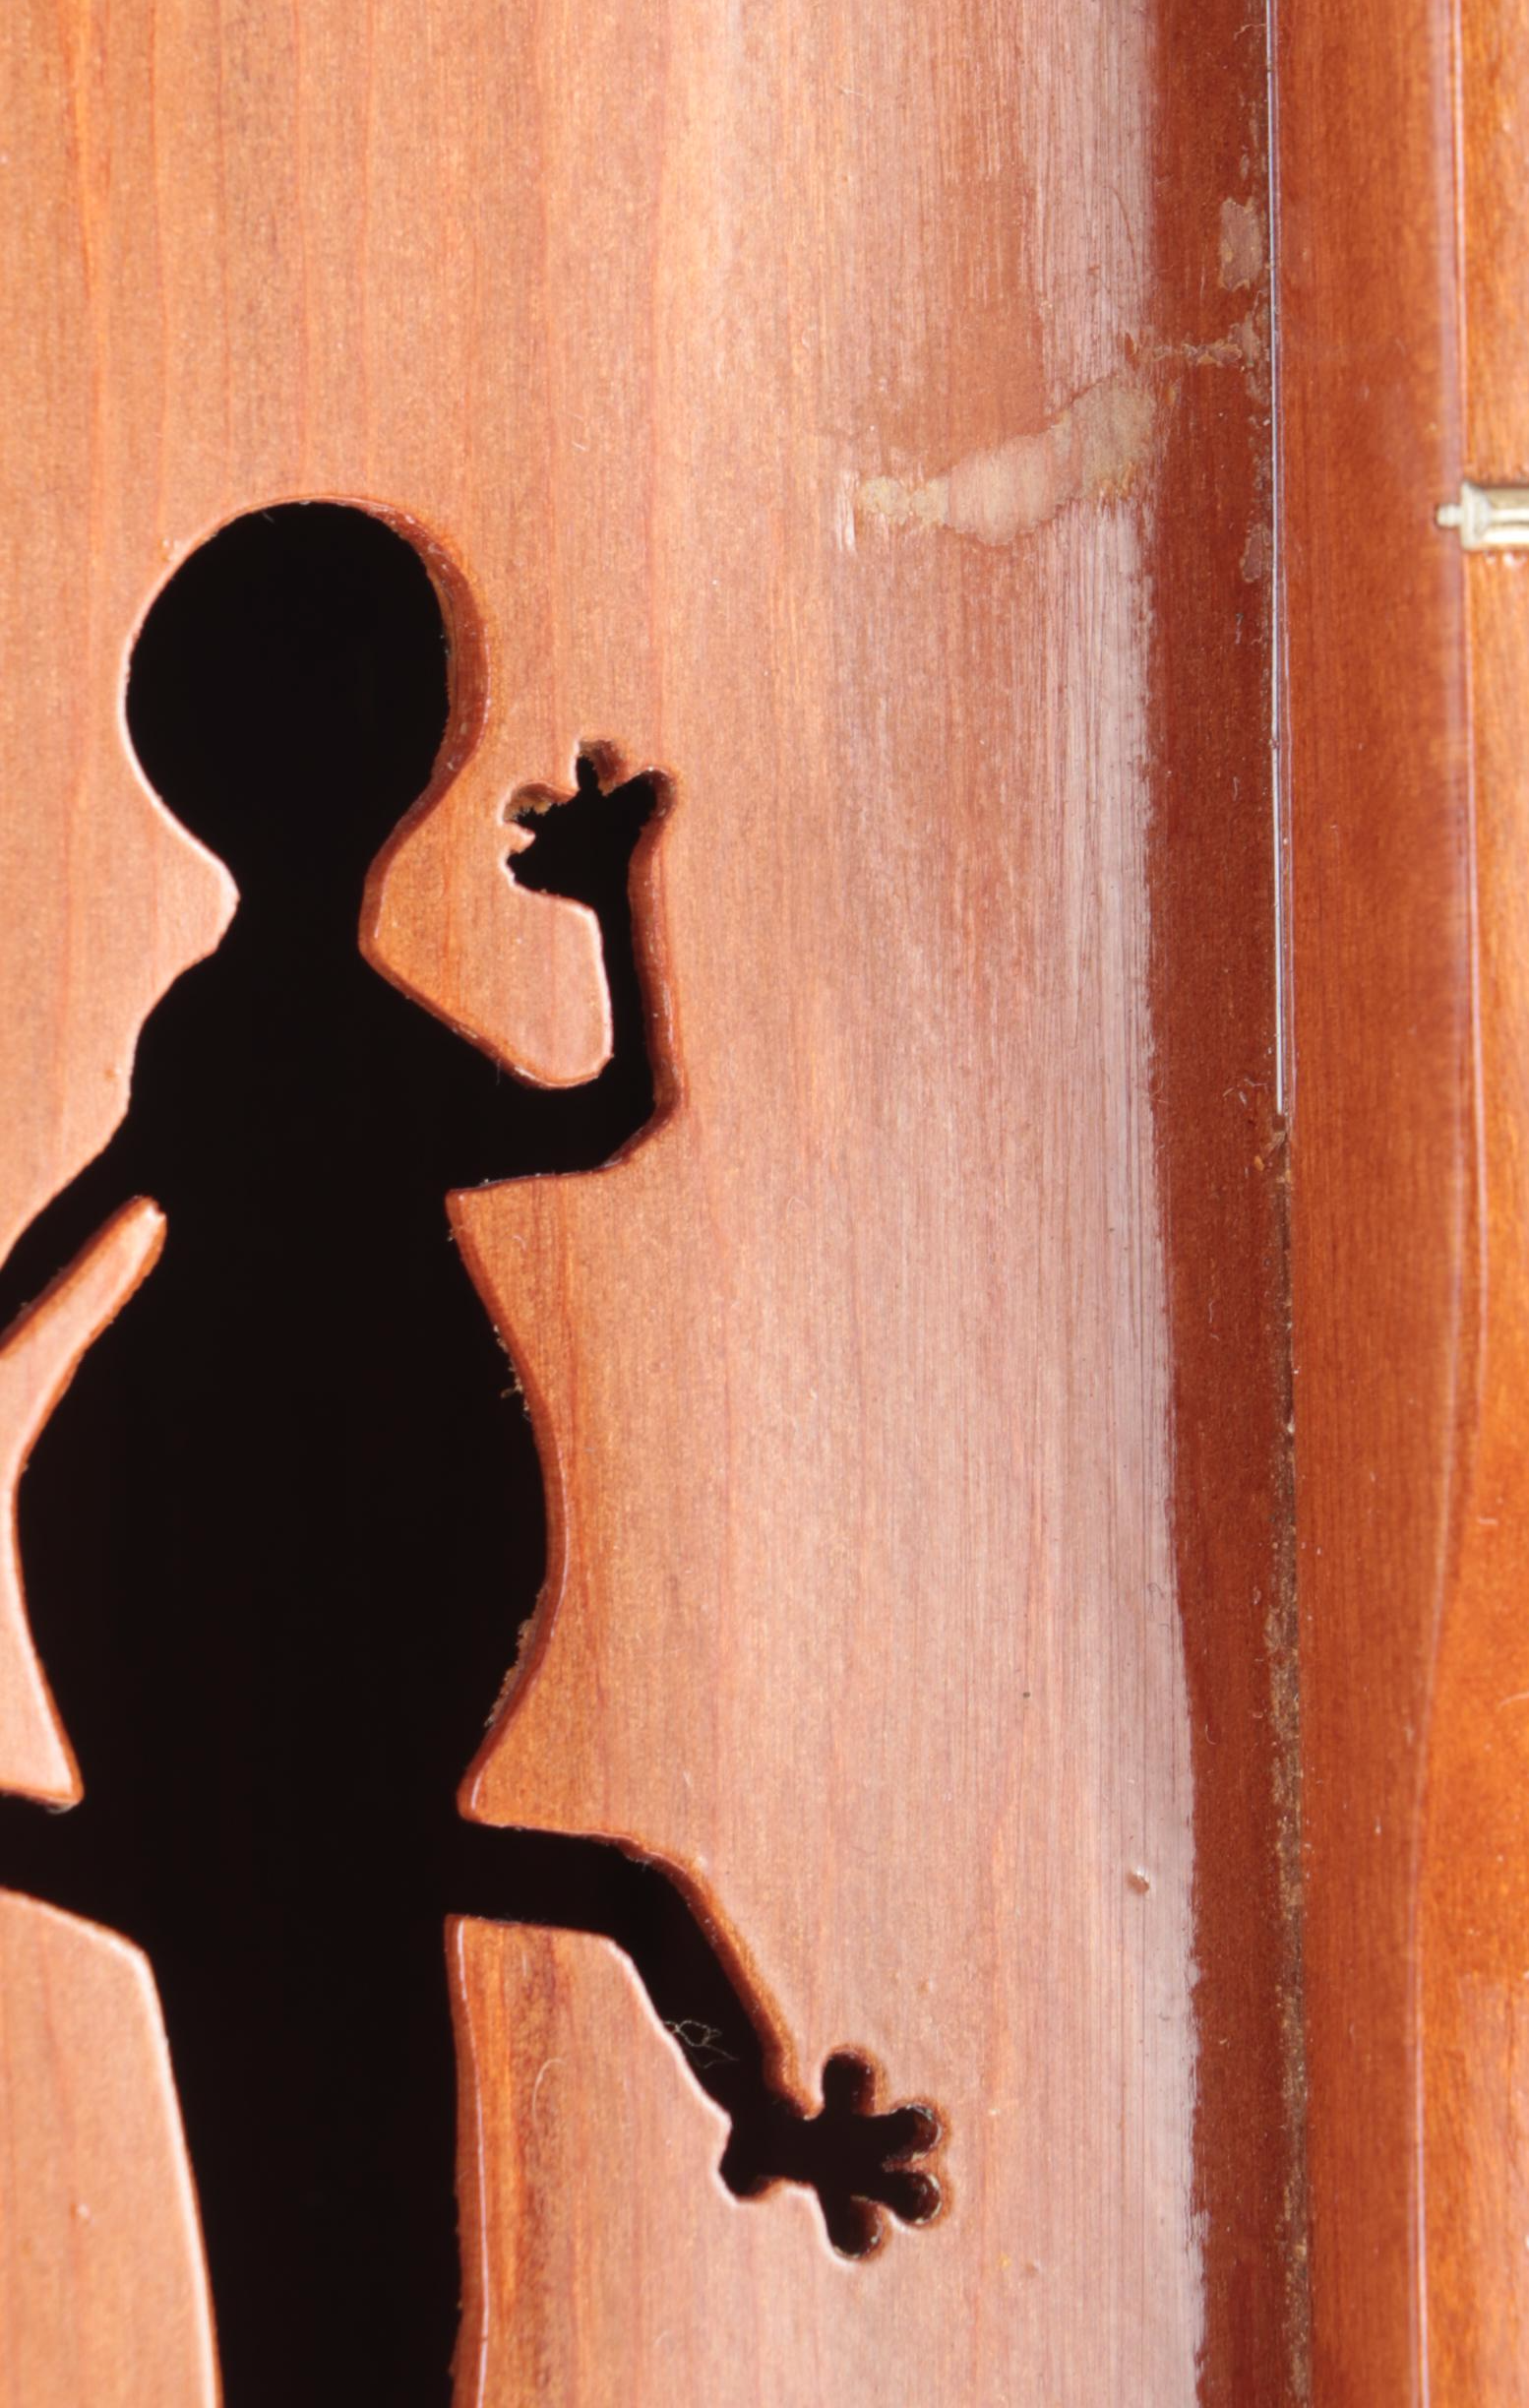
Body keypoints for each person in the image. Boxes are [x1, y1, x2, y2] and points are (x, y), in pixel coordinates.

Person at [0, 503, 938, 2405]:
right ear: (394, 757)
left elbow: (75, 1231)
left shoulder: (238, 1030)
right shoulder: (309, 1035)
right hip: (247, 1613)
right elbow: (603, 1114)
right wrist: (604, 904)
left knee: (312, 2197)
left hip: (169, 1602)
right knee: (342, 2222)